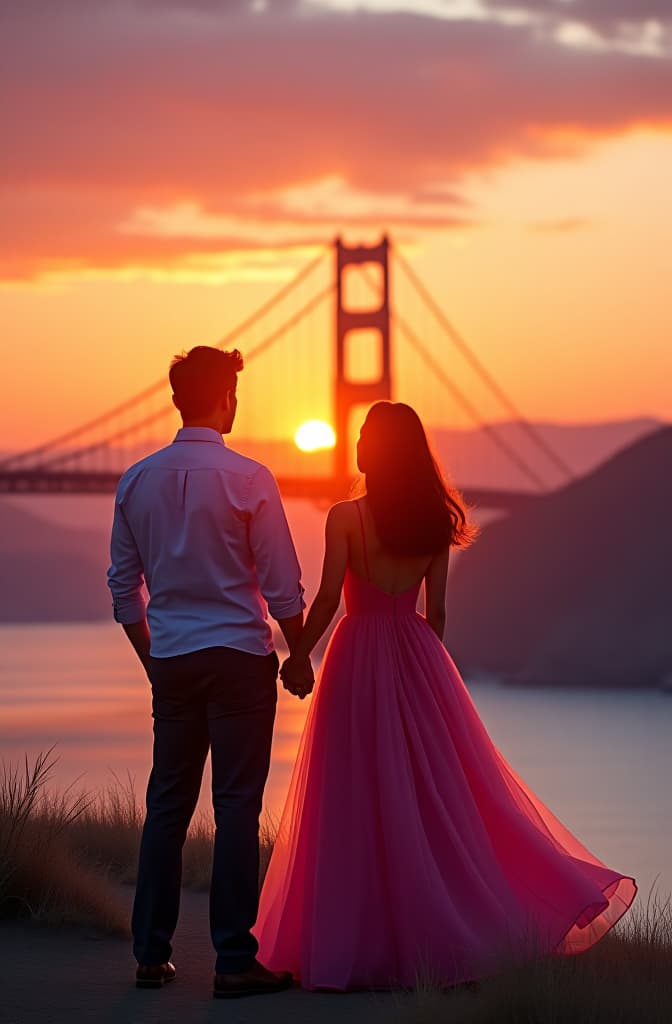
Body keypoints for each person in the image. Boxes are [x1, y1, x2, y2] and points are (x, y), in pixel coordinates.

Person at [256, 400, 636, 991]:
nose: (354, 445)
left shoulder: (345, 517)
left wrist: (299, 654)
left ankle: (357, 942)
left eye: (362, 437)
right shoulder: (434, 521)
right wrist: (419, 674)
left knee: (353, 796)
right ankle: (444, 934)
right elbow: (436, 616)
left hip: (355, 660)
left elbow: (329, 599)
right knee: (428, 800)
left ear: (376, 451)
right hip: (417, 657)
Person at [107, 345, 311, 999]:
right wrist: (301, 654)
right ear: (226, 399)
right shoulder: (251, 478)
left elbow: (121, 589)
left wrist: (153, 660)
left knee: (166, 805)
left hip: (174, 660)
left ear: (175, 400)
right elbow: (283, 589)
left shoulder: (136, 480)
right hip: (239, 660)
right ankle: (232, 960)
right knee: (235, 809)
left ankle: (149, 954)